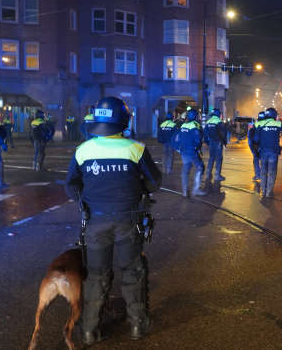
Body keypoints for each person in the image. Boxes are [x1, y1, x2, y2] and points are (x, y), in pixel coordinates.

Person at [64, 97, 161, 345]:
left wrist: (89, 201)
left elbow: (71, 187)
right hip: (129, 220)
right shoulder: (135, 148)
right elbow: (154, 183)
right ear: (124, 120)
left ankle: (88, 330)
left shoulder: (83, 150)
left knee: (97, 274)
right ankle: (138, 326)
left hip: (95, 222)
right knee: (132, 271)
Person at [253, 108, 282, 198]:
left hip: (263, 151)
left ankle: (264, 190)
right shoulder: (278, 124)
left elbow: (255, 139)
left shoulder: (260, 124)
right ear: (274, 115)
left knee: (263, 171)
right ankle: (269, 191)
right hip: (273, 152)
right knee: (272, 171)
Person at [175, 109, 207, 196]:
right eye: (197, 116)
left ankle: (185, 191)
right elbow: (197, 139)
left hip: (183, 150)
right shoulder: (194, 125)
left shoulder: (183, 125)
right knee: (200, 167)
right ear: (194, 116)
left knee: (185, 169)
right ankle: (196, 189)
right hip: (191, 151)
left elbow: (179, 137)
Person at [204, 109, 227, 181]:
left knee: (211, 157)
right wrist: (224, 142)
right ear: (218, 114)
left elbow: (205, 134)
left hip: (211, 142)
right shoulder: (219, 122)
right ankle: (217, 175)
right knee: (219, 158)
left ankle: (208, 174)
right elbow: (223, 133)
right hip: (218, 142)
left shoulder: (208, 122)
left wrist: (207, 142)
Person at [248, 112, 265, 180]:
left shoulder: (255, 125)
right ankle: (264, 175)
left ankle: (257, 175)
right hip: (265, 146)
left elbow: (251, 138)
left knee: (256, 161)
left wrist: (252, 149)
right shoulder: (267, 125)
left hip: (257, 146)